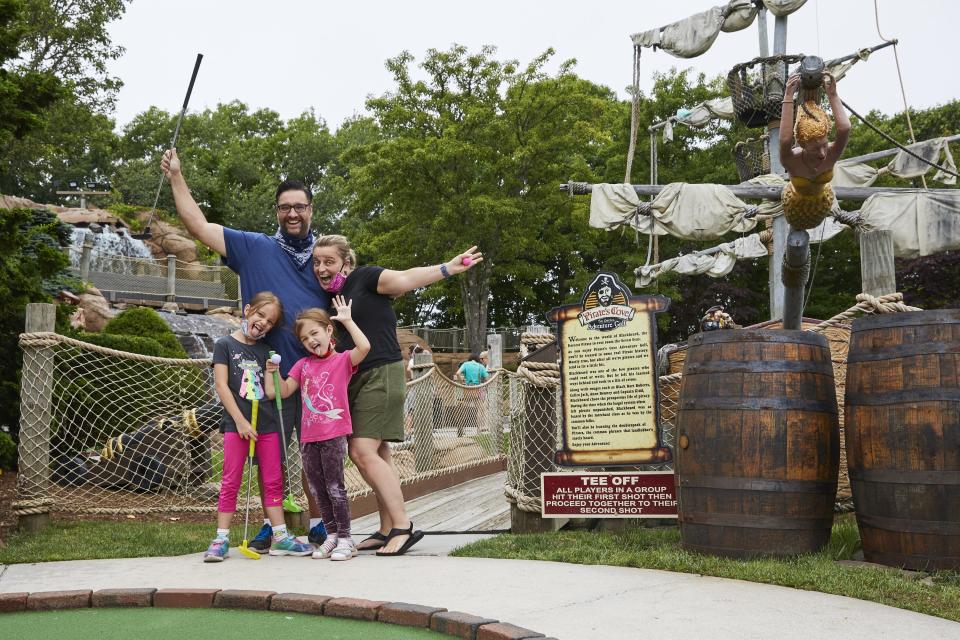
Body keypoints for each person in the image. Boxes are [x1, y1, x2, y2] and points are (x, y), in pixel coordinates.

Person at [161, 149, 331, 551]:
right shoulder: (254, 247)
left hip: (317, 373)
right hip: (270, 379)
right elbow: (198, 225)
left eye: (300, 207)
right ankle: (274, 528)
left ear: (310, 209)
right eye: (285, 207)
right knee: (269, 458)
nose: (293, 214)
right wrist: (177, 176)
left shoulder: (325, 259)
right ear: (276, 211)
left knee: (318, 455)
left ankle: (322, 523)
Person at [311, 234, 481, 555]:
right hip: (355, 378)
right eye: (317, 262)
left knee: (361, 451)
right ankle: (387, 527)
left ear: (346, 263)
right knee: (380, 453)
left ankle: (403, 526)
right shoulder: (327, 300)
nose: (321, 268)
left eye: (329, 261)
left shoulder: (365, 278)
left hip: (381, 372)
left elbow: (406, 278)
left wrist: (448, 268)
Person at [204, 291, 313, 562]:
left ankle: (280, 536)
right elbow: (221, 386)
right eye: (261, 315)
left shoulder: (267, 352)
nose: (263, 322)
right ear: (248, 310)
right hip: (236, 424)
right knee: (231, 481)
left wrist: (274, 375)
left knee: (273, 480)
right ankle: (220, 539)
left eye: (270, 321)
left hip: (267, 425)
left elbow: (268, 391)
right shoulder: (225, 345)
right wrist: (240, 422)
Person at [266, 296, 370, 561]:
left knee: (335, 487)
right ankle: (332, 535)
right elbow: (286, 389)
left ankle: (347, 538)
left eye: (314, 333)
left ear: (328, 330)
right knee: (317, 489)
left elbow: (365, 346)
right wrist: (273, 371)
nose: (311, 340)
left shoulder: (343, 361)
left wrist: (347, 319)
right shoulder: (303, 365)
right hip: (309, 437)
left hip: (334, 434)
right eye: (304, 338)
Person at [779, 72, 851, 231]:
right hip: (794, 207)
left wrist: (833, 95)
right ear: (802, 145)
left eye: (824, 144)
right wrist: (788, 96)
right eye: (814, 149)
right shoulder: (791, 160)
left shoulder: (831, 154)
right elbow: (785, 140)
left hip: (822, 204)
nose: (822, 153)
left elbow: (844, 129)